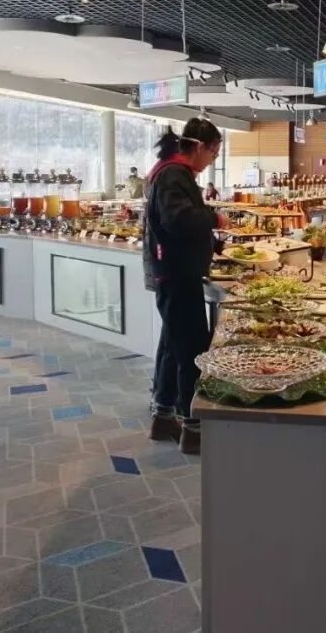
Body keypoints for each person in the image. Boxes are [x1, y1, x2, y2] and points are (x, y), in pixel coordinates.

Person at [143, 118, 227, 455]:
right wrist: (215, 218)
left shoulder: (173, 172)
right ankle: (193, 428)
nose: (212, 160)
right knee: (193, 349)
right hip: (178, 274)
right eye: (214, 153)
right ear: (200, 147)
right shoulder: (174, 174)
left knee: (172, 345)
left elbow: (180, 222)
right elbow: (178, 220)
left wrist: (213, 245)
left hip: (174, 272)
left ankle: (163, 416)